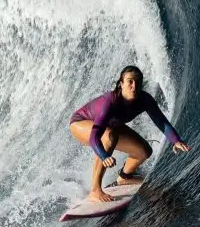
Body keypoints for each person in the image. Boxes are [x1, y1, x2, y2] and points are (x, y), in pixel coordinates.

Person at [69, 65, 190, 202]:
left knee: (143, 151)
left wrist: (176, 140)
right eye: (130, 81)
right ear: (121, 84)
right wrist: (103, 156)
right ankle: (95, 190)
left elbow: (162, 123)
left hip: (111, 126)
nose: (134, 85)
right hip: (81, 123)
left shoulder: (145, 100)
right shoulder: (110, 101)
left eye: (138, 81)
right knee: (109, 138)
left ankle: (124, 177)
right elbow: (95, 136)